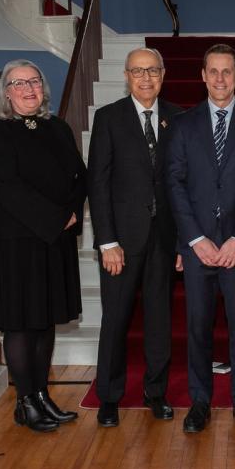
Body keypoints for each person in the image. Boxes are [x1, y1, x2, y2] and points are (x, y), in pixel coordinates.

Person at [167, 43, 235, 434]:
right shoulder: (182, 124)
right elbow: (174, 185)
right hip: (197, 249)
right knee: (197, 326)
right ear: (202, 76)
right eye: (213, 71)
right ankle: (200, 401)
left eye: (227, 71)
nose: (220, 79)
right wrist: (195, 239)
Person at [0, 59, 86, 433]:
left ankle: (42, 396)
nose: (28, 89)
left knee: (44, 323)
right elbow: (8, 187)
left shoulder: (56, 127)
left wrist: (72, 212)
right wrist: (56, 218)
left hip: (54, 242)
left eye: (34, 82)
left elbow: (79, 174)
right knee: (21, 324)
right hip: (18, 243)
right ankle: (25, 402)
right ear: (5, 92)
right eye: (19, 83)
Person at [88, 48, 183, 427]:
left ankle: (155, 392)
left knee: (160, 319)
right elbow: (98, 182)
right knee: (116, 319)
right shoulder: (108, 117)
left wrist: (183, 242)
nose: (146, 78)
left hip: (164, 238)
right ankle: (109, 396)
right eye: (138, 71)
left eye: (153, 71)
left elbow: (183, 183)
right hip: (121, 243)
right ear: (126, 75)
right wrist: (106, 241)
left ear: (163, 74)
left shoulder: (178, 118)